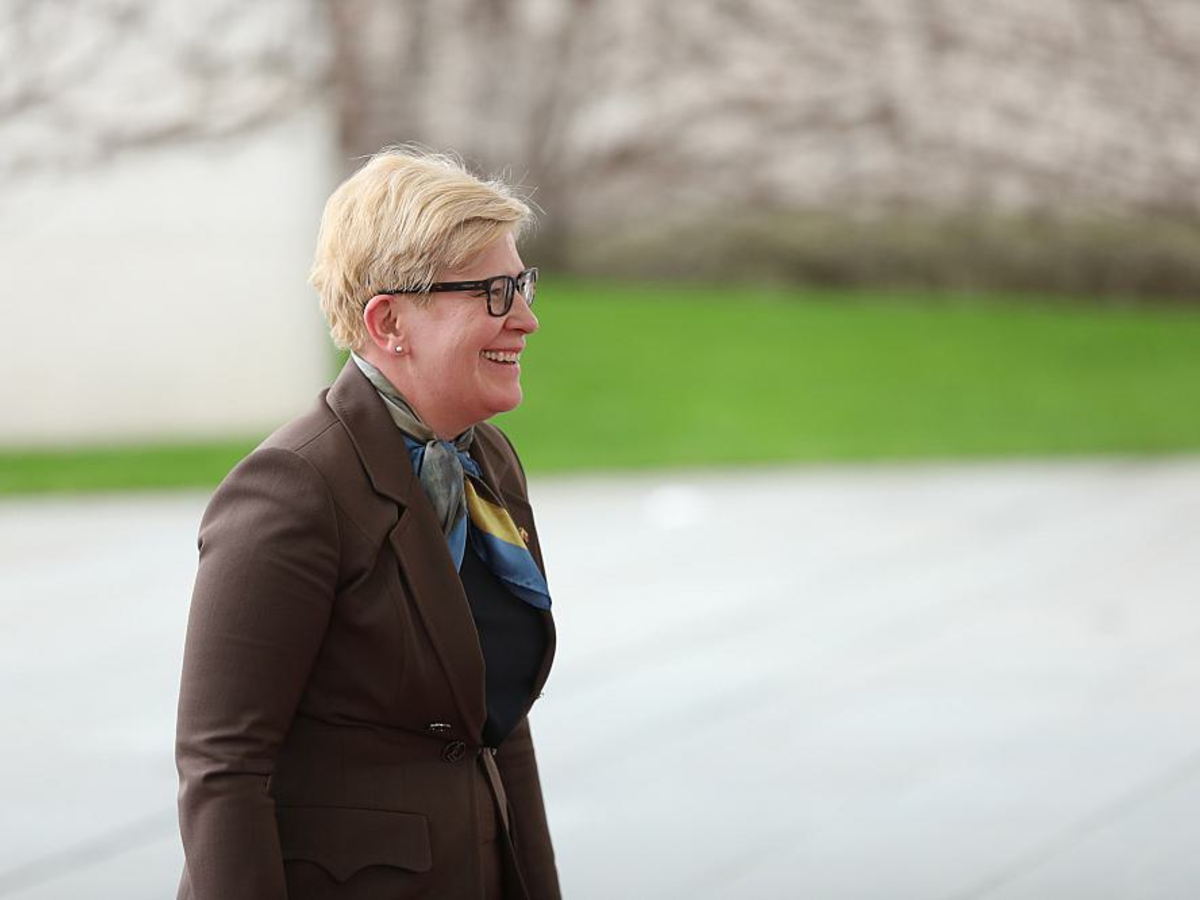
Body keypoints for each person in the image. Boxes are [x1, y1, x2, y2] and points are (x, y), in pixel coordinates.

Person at [175, 147, 560, 900]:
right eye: (493, 292)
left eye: (521, 284)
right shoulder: (291, 487)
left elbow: (497, 721)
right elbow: (223, 768)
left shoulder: (488, 460)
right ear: (389, 321)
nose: (526, 318)